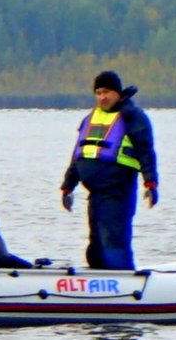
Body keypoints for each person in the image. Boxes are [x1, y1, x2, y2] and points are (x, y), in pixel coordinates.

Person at [60, 70, 159, 270]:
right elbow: (79, 154)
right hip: (95, 194)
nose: (102, 97)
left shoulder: (132, 117)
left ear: (117, 93)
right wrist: (68, 186)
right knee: (95, 246)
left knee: (114, 243)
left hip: (118, 192)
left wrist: (150, 183)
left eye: (106, 92)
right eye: (98, 93)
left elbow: (146, 152)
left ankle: (124, 284)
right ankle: (97, 289)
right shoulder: (91, 118)